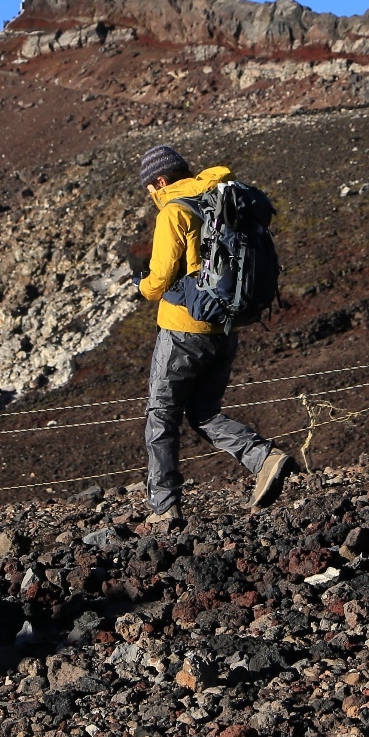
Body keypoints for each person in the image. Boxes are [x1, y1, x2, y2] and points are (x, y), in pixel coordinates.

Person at [135, 144, 294, 527]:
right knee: (202, 409)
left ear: (160, 180)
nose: (151, 197)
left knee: (161, 415)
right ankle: (264, 458)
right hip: (225, 328)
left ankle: (164, 507)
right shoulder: (218, 196)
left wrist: (140, 285)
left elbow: (158, 281)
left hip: (183, 330)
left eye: (150, 189)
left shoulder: (174, 211)